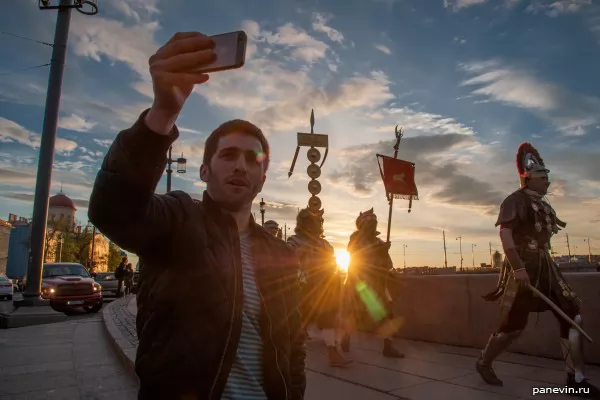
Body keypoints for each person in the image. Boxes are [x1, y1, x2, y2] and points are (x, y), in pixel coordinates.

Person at [88, 31, 305, 400]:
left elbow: (293, 350)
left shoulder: (280, 255)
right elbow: (114, 209)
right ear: (204, 172)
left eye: (252, 160)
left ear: (262, 179)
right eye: (227, 155)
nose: (240, 166)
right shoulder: (177, 220)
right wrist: (163, 113)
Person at [477, 142, 599, 397]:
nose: (548, 183)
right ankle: (484, 362)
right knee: (513, 327)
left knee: (572, 314)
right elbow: (506, 236)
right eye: (543, 178)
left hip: (547, 267)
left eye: (548, 178)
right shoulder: (514, 201)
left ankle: (575, 378)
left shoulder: (544, 205)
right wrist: (518, 268)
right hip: (525, 268)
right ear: (528, 178)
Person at [287, 208, 351, 367]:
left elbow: (331, 264)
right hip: (302, 286)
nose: (315, 225)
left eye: (317, 221)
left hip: (323, 287)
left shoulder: (325, 244)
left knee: (328, 316)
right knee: (299, 320)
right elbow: (288, 259)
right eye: (311, 221)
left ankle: (332, 351)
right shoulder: (294, 241)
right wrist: (301, 253)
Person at [341, 208, 404, 358]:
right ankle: (345, 337)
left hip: (378, 285)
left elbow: (388, 265)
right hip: (361, 285)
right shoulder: (355, 240)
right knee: (357, 315)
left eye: (374, 222)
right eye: (369, 223)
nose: (373, 225)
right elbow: (357, 257)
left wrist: (384, 253)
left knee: (387, 315)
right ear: (363, 225)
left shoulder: (379, 242)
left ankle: (388, 346)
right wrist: (378, 250)